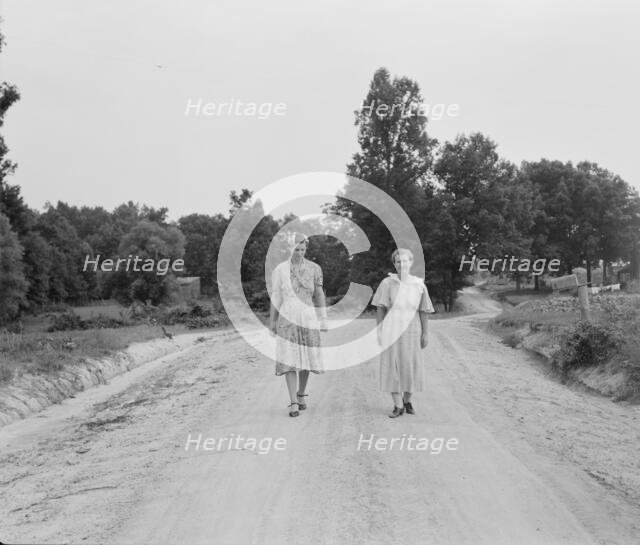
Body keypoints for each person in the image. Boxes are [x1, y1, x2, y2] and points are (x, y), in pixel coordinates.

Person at [269, 233, 328, 417]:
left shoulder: (314, 268)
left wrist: (323, 317)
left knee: (306, 359)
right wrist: (272, 320)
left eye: (303, 249)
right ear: (290, 248)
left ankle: (301, 394)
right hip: (287, 315)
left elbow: (319, 294)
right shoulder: (280, 270)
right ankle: (293, 402)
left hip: (308, 315)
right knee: (289, 359)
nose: (300, 253)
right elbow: (276, 296)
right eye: (296, 249)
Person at [371, 248, 435, 418]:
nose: (402, 264)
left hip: (412, 330)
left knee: (410, 366)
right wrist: (379, 330)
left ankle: (407, 400)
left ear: (411, 263)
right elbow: (380, 308)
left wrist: (425, 333)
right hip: (392, 329)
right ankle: (397, 405)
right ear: (394, 264)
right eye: (398, 261)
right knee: (392, 366)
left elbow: (424, 310)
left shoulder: (419, 284)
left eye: (405, 261)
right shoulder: (387, 283)